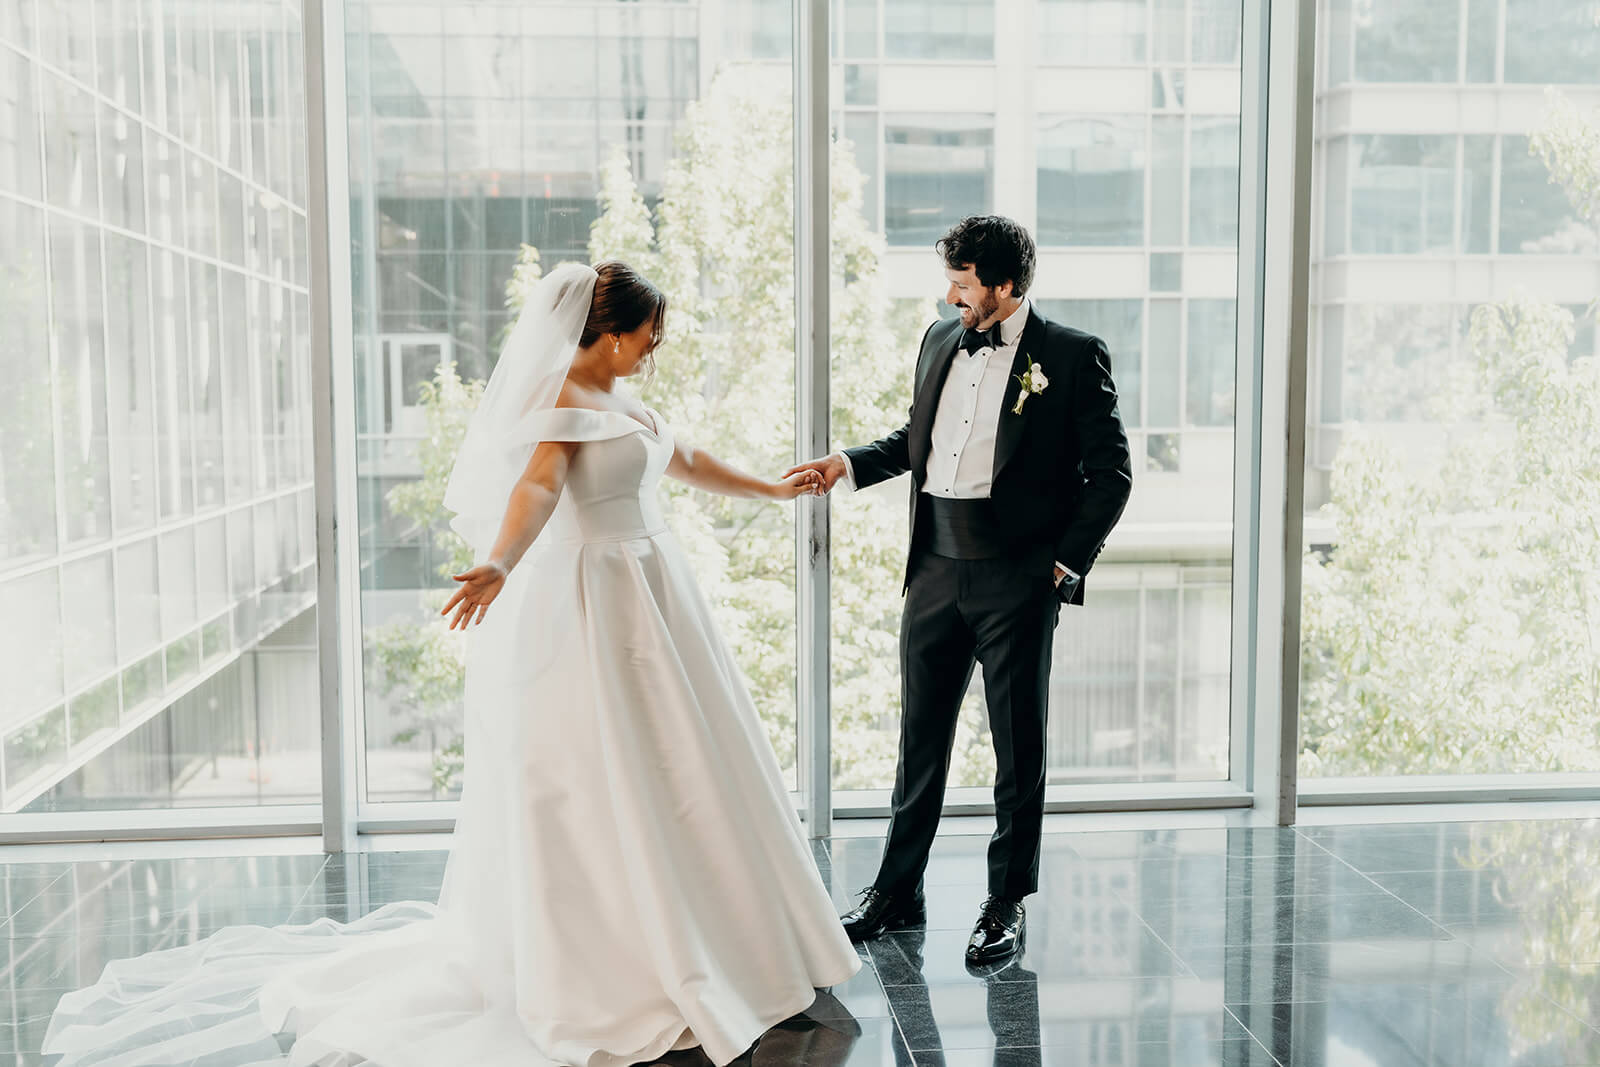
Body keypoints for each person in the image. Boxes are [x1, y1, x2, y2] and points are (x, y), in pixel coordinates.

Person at [43, 261, 862, 1067]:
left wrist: (773, 489)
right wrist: (501, 562)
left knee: (690, 767)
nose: (657, 346)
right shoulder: (562, 403)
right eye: (650, 333)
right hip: (600, 602)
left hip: (657, 590)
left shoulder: (628, 397)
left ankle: (724, 933)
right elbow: (537, 491)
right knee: (607, 776)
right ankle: (623, 954)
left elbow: (684, 461)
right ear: (609, 335)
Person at [787, 215, 1133, 965]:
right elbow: (915, 443)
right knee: (921, 739)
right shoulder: (940, 340)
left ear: (1005, 286)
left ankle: (1005, 901)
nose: (949, 298)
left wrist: (1061, 565)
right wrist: (844, 464)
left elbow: (1111, 476)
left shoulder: (1072, 356)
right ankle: (897, 888)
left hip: (1018, 577)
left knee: (1017, 744)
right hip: (935, 568)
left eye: (963, 284)